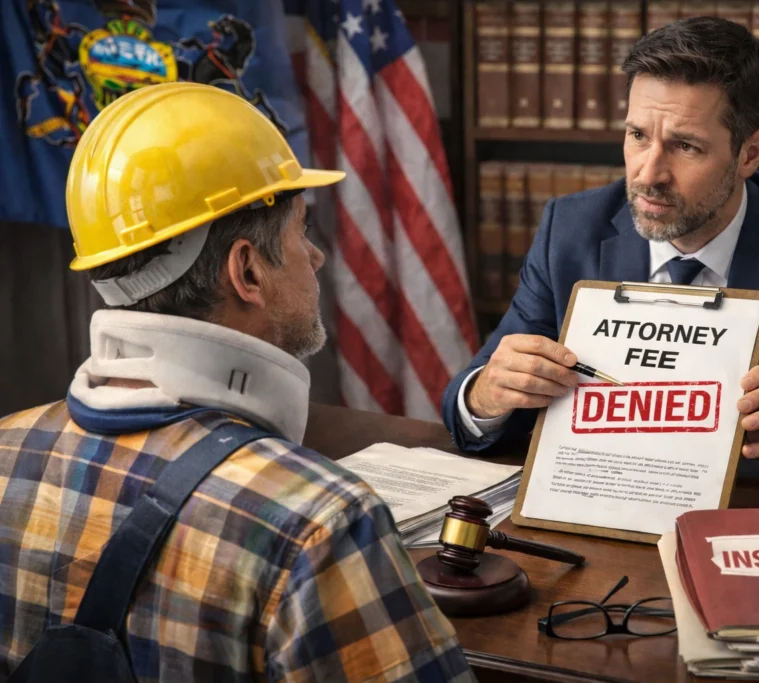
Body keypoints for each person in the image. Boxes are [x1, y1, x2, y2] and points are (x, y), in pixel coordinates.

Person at [0, 82, 474, 682]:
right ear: (247, 270)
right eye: (302, 230)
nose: (316, 255)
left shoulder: (4, 454)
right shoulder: (320, 522)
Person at [442, 16, 759, 501]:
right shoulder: (570, 228)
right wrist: (487, 396)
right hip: (596, 497)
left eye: (685, 146)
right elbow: (467, 404)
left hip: (745, 512)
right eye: (638, 135)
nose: (649, 174)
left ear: (750, 153)